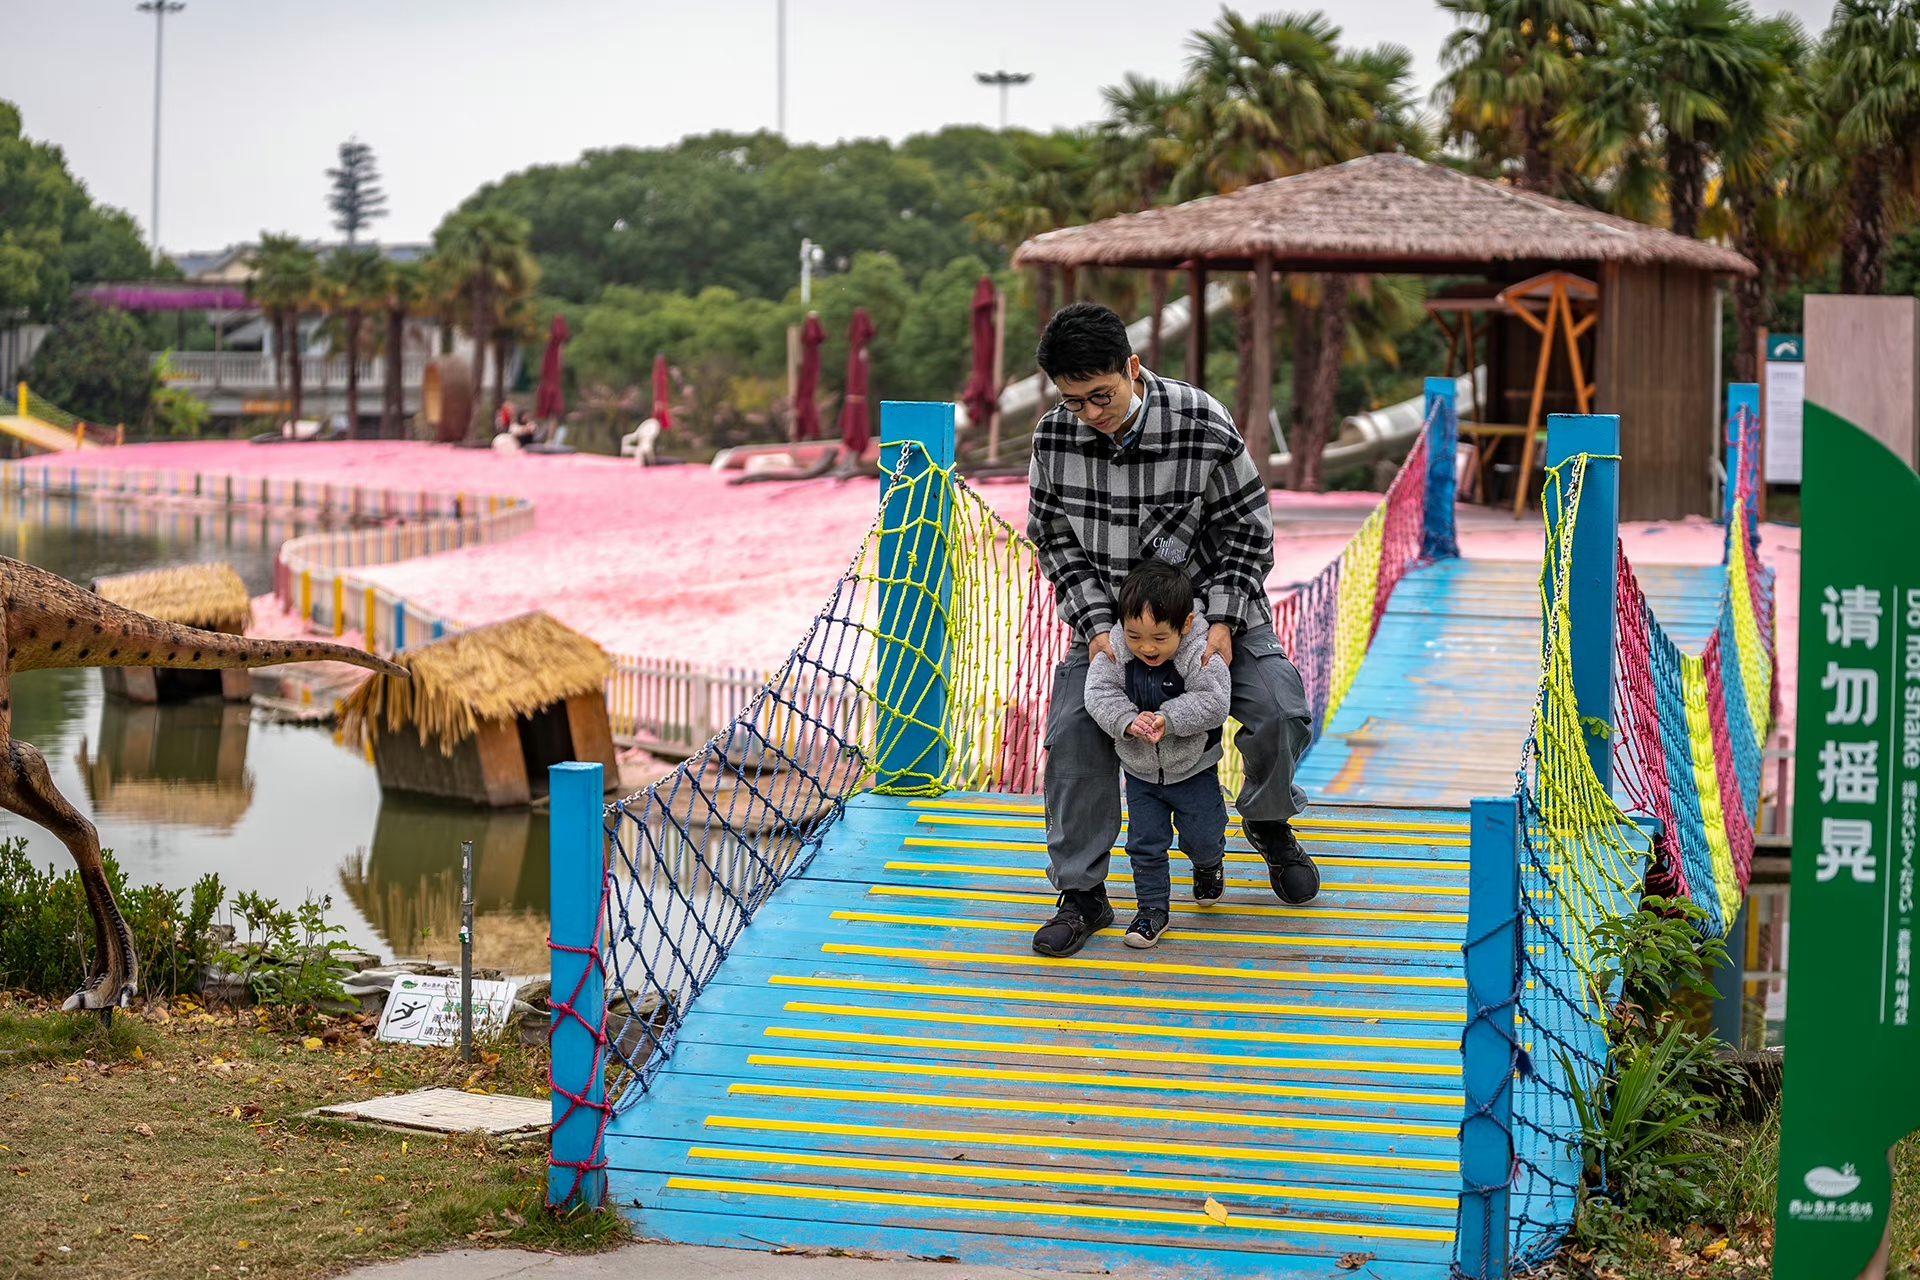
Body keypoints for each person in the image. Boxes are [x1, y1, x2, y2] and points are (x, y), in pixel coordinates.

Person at [1028, 301, 1317, 959]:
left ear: (1133, 368)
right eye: (1074, 402)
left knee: (1279, 708)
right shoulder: (1051, 438)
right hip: (1112, 626)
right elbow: (1052, 539)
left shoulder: (1201, 422)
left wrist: (1220, 620)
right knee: (1073, 734)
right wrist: (1097, 625)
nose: (1091, 413)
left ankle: (1268, 820)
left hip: (1214, 613)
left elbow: (1249, 531)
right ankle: (1082, 895)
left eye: (1102, 395)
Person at [1081, 559, 1231, 949]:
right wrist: (1127, 721)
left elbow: (1215, 701)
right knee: (1145, 843)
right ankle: (1151, 910)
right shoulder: (1118, 647)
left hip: (1193, 767)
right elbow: (1098, 692)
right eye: (1135, 635)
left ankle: (1209, 862)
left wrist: (1170, 717)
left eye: (1159, 638)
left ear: (1184, 625)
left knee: (1203, 837)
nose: (1146, 648)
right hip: (1141, 772)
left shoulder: (1199, 651)